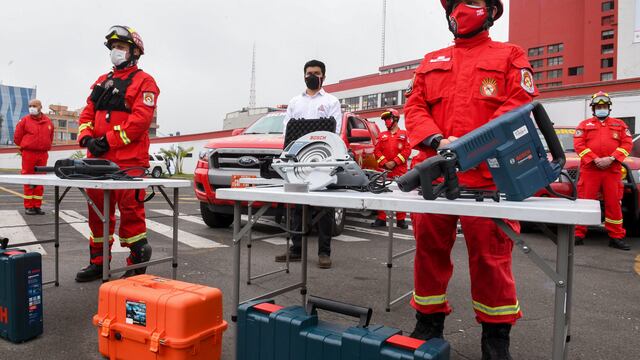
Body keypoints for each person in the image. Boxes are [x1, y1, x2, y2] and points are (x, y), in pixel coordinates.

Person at [403, 1, 537, 358]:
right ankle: (427, 324)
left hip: (489, 181)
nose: (462, 9)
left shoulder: (510, 55)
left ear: (492, 11)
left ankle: (496, 339)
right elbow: (413, 108)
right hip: (435, 179)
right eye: (455, 2)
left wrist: (471, 146)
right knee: (428, 254)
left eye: (472, 1)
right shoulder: (431, 61)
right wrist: (437, 141)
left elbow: (519, 105)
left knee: (491, 260)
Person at [75, 25, 160, 282]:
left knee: (131, 212)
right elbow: (87, 113)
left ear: (135, 52)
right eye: (113, 48)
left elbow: (139, 122)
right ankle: (98, 263)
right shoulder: (102, 81)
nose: (116, 52)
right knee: (97, 212)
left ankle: (137, 262)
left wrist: (108, 140)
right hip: (97, 160)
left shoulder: (145, 82)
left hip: (129, 161)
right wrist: (87, 138)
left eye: (121, 47)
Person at [274, 59, 342, 269]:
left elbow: (335, 131)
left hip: (323, 160)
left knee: (324, 207)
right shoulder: (295, 102)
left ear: (323, 76)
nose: (312, 76)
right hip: (299, 162)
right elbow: (288, 132)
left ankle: (324, 253)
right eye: (309, 73)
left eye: (316, 73)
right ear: (304, 75)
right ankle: (295, 249)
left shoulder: (332, 102)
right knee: (296, 206)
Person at [573, 92, 632, 250]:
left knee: (614, 204)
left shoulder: (620, 125)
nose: (601, 109)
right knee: (584, 202)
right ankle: (578, 234)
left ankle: (616, 237)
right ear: (593, 108)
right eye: (598, 106)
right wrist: (594, 159)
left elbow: (627, 144)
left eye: (604, 106)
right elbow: (579, 145)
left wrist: (611, 159)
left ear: (609, 108)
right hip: (590, 170)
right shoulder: (584, 125)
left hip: (612, 171)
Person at [371, 108, 411, 229]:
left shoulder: (404, 134)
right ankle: (381, 218)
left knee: (400, 194)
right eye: (385, 119)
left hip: (399, 170)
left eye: (388, 118)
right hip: (384, 170)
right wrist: (385, 162)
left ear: (395, 119)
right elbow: (376, 151)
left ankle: (401, 219)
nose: (386, 121)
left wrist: (395, 162)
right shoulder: (382, 135)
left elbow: (407, 150)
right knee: (382, 193)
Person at [13, 99, 54, 215]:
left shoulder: (48, 122)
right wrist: (26, 146)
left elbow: (50, 137)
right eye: (30, 106)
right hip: (29, 154)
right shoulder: (24, 121)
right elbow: (17, 137)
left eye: (34, 105)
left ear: (40, 107)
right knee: (28, 179)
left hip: (43, 153)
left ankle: (37, 206)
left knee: (40, 180)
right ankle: (28, 206)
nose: (31, 108)